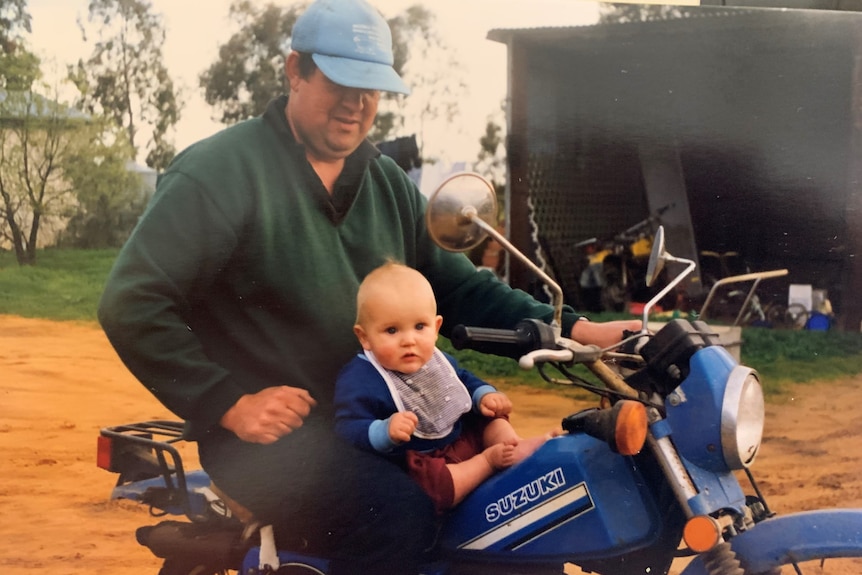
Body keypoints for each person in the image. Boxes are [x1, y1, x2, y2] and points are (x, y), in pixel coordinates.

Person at [97, 0, 640, 573]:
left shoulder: (385, 183)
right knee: (401, 514)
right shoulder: (219, 173)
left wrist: (582, 329)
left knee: (524, 506)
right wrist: (226, 403)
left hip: (394, 419)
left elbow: (460, 290)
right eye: (340, 81)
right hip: (276, 444)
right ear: (295, 72)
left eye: (372, 88)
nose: (357, 104)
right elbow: (132, 302)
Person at [335, 263, 551, 515]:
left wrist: (484, 395)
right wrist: (384, 431)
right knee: (430, 487)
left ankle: (512, 446)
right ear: (364, 337)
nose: (409, 340)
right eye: (392, 330)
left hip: (459, 439)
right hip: (428, 460)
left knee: (489, 415)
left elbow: (462, 380)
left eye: (419, 327)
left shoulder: (437, 361)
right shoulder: (361, 378)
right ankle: (489, 461)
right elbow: (347, 426)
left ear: (436, 328)